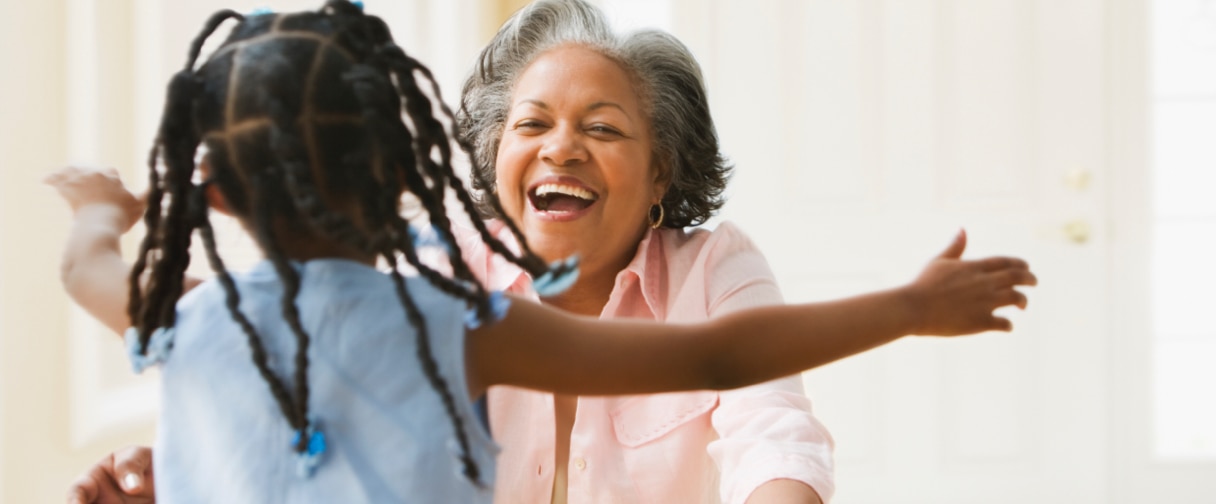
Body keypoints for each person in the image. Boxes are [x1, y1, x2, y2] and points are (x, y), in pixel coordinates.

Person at [50, 1, 1037, 503]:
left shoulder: (710, 264)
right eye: (532, 124)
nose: (561, 148)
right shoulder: (440, 302)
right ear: (429, 170)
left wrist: (100, 208)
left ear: (662, 171)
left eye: (601, 129)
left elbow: (767, 422)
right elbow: (319, 391)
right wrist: (907, 309)